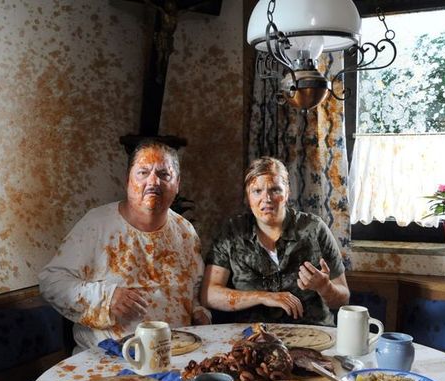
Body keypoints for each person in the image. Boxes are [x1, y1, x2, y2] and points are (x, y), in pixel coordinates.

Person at [39, 140, 210, 351]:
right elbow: (51, 283)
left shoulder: (185, 231)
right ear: (127, 181)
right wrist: (107, 298)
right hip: (108, 358)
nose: (153, 182)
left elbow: (192, 290)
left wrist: (198, 311)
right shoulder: (97, 224)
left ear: (177, 184)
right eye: (143, 173)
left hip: (175, 354)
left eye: (164, 175)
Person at [201, 156, 349, 326]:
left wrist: (325, 287)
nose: (267, 198)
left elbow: (343, 299)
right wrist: (263, 297)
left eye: (275, 190)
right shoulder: (232, 232)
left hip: (312, 334)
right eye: (257, 191)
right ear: (248, 197)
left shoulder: (314, 229)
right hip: (253, 337)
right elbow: (208, 294)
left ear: (287, 193)